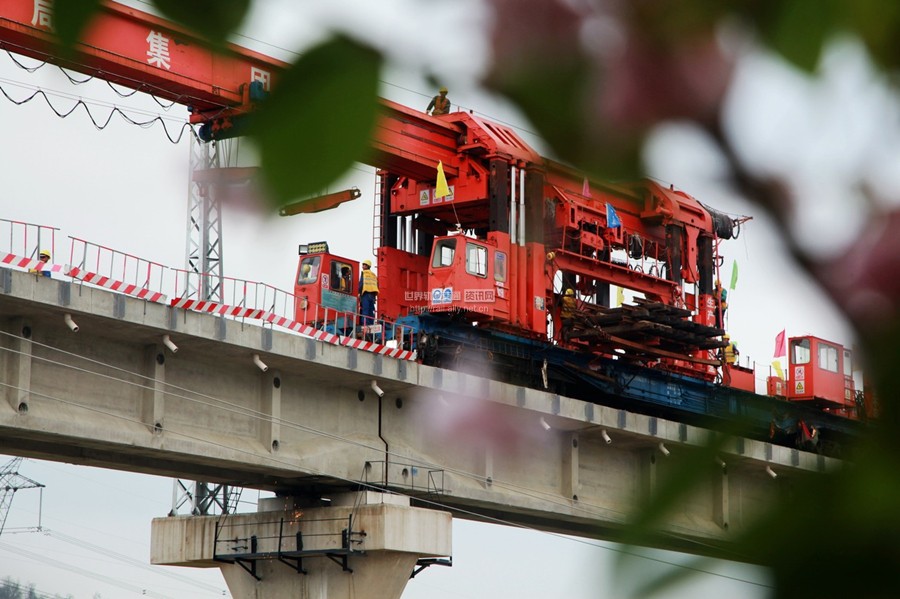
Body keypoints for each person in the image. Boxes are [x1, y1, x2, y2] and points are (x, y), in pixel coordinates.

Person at [358, 259, 379, 327]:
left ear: (368, 266)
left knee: (365, 309)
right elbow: (377, 285)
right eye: (363, 265)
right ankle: (371, 324)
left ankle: (365, 324)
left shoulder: (364, 273)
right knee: (371, 310)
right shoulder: (373, 275)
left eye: (364, 265)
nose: (363, 266)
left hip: (366, 293)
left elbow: (361, 283)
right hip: (372, 295)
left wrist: (359, 292)